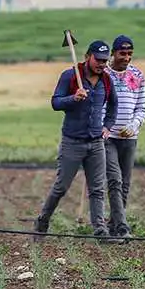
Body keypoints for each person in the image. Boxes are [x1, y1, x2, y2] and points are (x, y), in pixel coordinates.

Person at [35, 40, 118, 237]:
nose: (101, 64)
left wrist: (107, 126)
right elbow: (55, 102)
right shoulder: (70, 76)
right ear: (87, 57)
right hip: (72, 142)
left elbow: (113, 106)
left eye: (105, 61)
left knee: (97, 189)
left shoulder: (106, 80)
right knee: (61, 187)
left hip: (96, 142)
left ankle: (100, 230)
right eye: (98, 60)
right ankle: (42, 220)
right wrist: (73, 98)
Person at [106, 35, 145, 238]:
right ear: (113, 53)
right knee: (115, 180)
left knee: (125, 183)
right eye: (122, 53)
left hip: (130, 136)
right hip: (108, 136)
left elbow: (141, 107)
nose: (126, 57)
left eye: (130, 53)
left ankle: (114, 224)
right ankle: (122, 228)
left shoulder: (138, 75)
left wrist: (134, 124)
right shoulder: (103, 73)